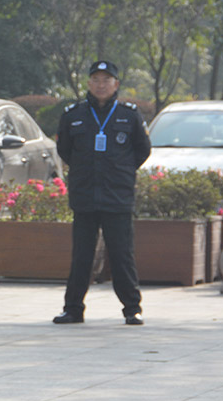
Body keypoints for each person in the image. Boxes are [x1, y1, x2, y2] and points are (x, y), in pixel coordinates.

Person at [53, 60, 151, 326]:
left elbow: (142, 150)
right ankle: (73, 309)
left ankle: (132, 308)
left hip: (117, 197)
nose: (101, 85)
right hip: (85, 196)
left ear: (116, 84)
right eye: (96, 80)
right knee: (81, 256)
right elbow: (65, 150)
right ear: (88, 83)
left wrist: (121, 171)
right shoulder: (73, 115)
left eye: (106, 80)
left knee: (122, 255)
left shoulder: (129, 115)